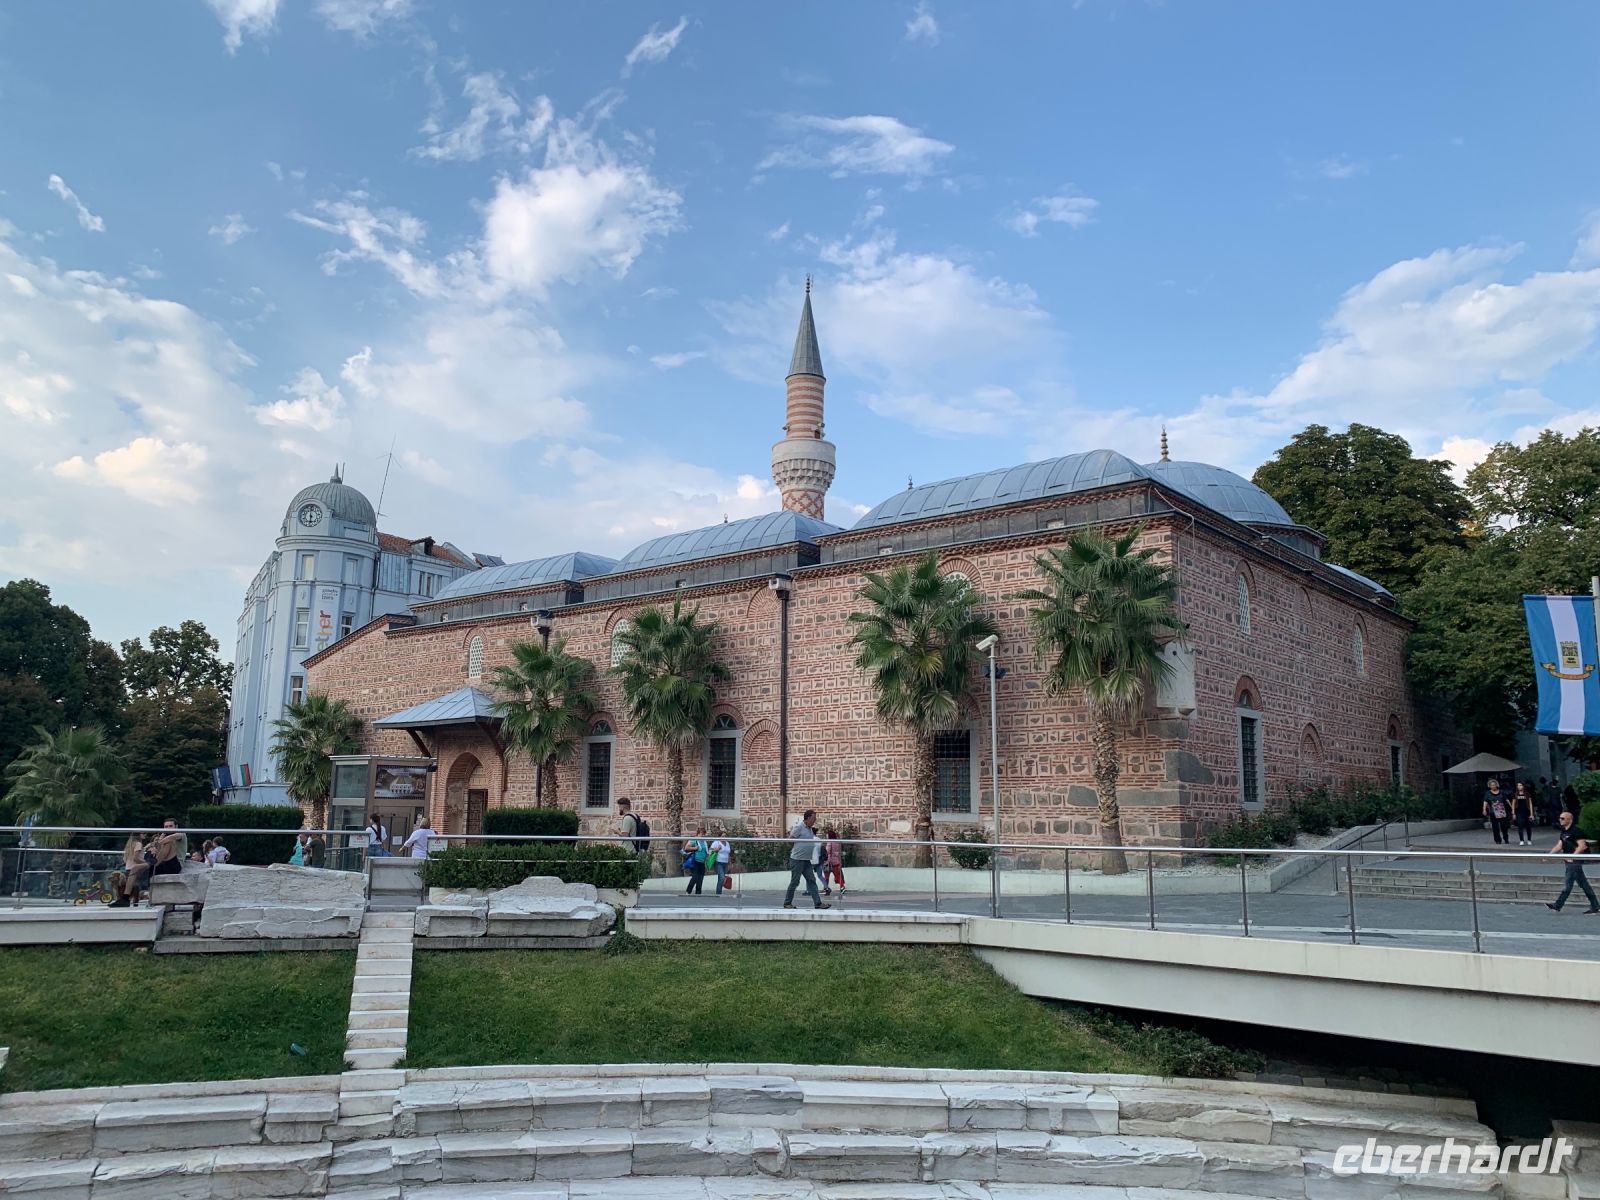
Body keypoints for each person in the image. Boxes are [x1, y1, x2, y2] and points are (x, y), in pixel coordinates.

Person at [1545, 811, 1598, 914]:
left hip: (1574, 861)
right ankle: (1595, 906)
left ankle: (1557, 905)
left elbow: (1582, 846)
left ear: (1570, 820)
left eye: (1563, 818)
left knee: (1568, 885)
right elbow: (1559, 845)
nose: (1560, 820)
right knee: (1584, 885)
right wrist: (1549, 855)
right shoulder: (1564, 831)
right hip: (1569, 860)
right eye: (1560, 818)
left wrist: (1573, 856)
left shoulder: (1576, 831)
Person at [783, 809, 830, 910]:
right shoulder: (799, 827)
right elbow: (790, 840)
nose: (814, 821)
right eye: (813, 819)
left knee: (811, 880)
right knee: (795, 882)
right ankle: (787, 903)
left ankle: (818, 903)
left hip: (806, 860)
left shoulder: (810, 829)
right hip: (797, 860)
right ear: (808, 818)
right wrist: (797, 849)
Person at [111, 834, 150, 907]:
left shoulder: (131, 844)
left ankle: (124, 900)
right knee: (136, 888)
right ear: (138, 835)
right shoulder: (138, 844)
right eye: (143, 833)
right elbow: (136, 858)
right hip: (135, 868)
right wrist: (146, 862)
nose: (145, 834)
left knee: (130, 888)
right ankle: (132, 901)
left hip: (129, 867)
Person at [1482, 779, 1511, 845]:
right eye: (1491, 785)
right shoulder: (1487, 793)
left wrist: (1511, 807)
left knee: (1504, 826)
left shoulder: (1502, 792)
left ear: (1496, 785)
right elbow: (1485, 802)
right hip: (1493, 812)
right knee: (1495, 827)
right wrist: (1484, 809)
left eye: (1494, 785)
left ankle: (1506, 838)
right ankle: (1497, 840)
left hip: (1502, 811)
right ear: (1489, 786)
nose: (1493, 786)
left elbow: (1506, 800)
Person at [818, 827, 846, 896]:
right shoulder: (837, 843)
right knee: (837, 875)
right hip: (836, 861)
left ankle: (826, 888)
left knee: (826, 876)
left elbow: (827, 852)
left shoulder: (829, 843)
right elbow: (838, 852)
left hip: (828, 862)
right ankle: (842, 886)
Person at [685, 826, 710, 895]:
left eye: (704, 834)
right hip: (695, 861)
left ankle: (698, 893)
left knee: (700, 878)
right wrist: (695, 848)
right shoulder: (694, 840)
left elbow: (705, 851)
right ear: (698, 833)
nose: (703, 835)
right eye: (702, 834)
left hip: (702, 862)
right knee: (695, 877)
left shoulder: (704, 842)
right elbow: (686, 848)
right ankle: (688, 891)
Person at [709, 826, 731, 895]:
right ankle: (718, 893)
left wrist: (729, 863)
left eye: (725, 836)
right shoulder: (716, 842)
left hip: (725, 863)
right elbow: (710, 851)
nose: (724, 838)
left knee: (720, 878)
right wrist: (717, 849)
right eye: (723, 836)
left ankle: (719, 893)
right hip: (718, 862)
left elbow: (728, 853)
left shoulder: (727, 843)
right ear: (719, 836)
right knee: (722, 877)